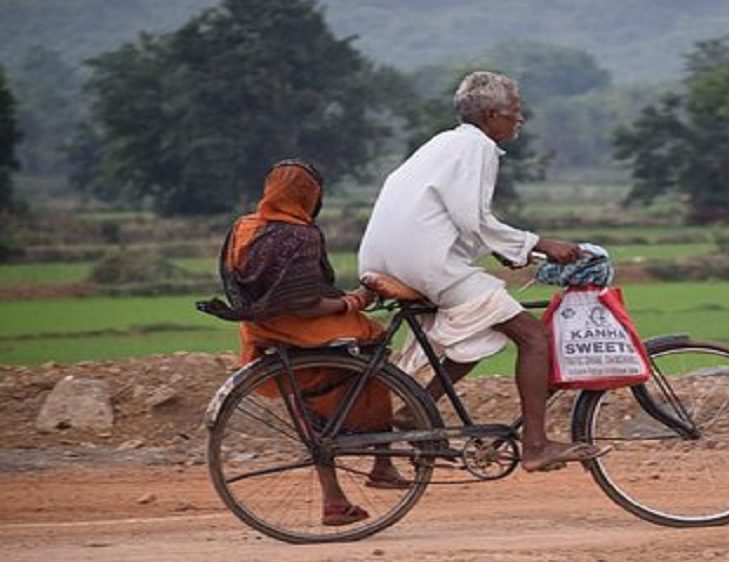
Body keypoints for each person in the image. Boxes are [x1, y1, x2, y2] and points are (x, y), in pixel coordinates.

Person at [358, 71, 608, 472]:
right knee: (534, 336)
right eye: (514, 112)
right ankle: (536, 445)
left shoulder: (446, 143)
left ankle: (411, 417)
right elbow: (473, 217)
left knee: (484, 326)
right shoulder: (477, 148)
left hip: (389, 256)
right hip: (424, 263)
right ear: (491, 115)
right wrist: (539, 244)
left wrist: (510, 252)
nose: (519, 120)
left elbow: (448, 219)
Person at [201, 159, 407, 527]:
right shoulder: (298, 235)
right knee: (375, 344)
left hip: (262, 329)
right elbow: (308, 303)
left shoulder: (244, 227)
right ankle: (382, 461)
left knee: (305, 395)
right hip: (302, 326)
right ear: (309, 195)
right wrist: (355, 300)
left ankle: (334, 499)